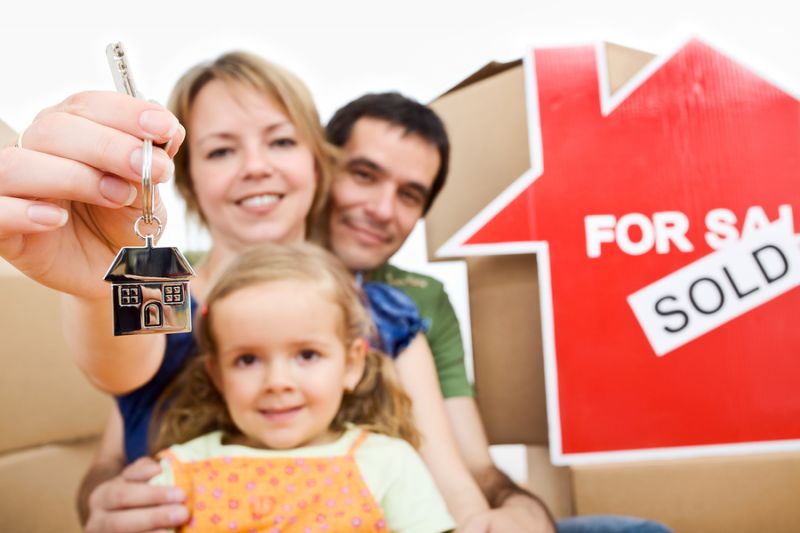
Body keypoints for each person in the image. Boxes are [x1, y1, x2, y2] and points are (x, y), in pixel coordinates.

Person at [0, 51, 492, 530]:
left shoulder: (384, 310)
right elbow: (116, 369)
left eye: (280, 142)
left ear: (319, 164)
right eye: (220, 150)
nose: (255, 166)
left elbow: (460, 500)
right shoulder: (160, 284)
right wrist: (100, 279)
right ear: (189, 181)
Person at [325, 92, 672, 533]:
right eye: (363, 175)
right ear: (320, 169)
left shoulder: (414, 303)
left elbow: (474, 467)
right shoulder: (222, 274)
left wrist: (522, 515)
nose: (380, 209)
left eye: (409, 196)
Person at [148, 242, 454, 533]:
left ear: (351, 365)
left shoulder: (388, 463)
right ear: (217, 376)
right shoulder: (179, 472)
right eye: (247, 360)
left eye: (307, 355)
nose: (277, 383)